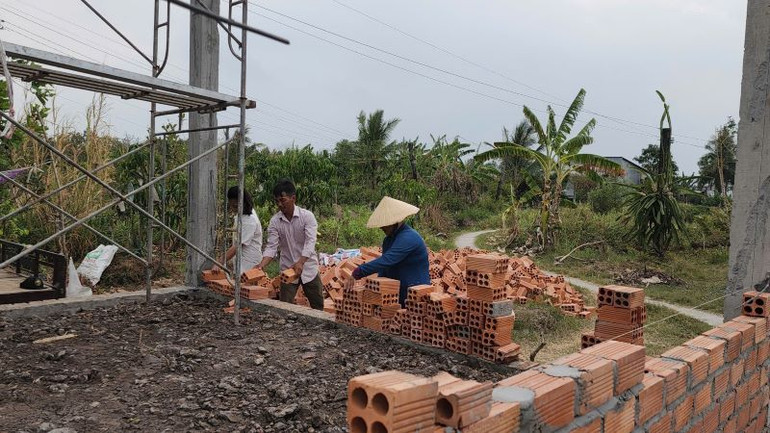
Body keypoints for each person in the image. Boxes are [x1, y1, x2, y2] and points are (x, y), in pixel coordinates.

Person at [254, 179, 324, 310]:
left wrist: (301, 262)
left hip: (309, 268)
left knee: (318, 306)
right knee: (284, 307)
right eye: (277, 201)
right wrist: (261, 265)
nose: (280, 204)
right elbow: (271, 246)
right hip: (287, 270)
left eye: (283, 200)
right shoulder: (275, 221)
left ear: (293, 198)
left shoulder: (307, 217)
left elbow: (310, 242)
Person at [351, 196, 430, 307]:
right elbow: (385, 268)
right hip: (396, 293)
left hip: (415, 292)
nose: (382, 228)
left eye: (385, 224)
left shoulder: (409, 237)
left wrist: (359, 271)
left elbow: (387, 260)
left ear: (395, 222)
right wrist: (377, 288)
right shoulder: (388, 240)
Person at [216, 186, 263, 276]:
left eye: (235, 206)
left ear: (243, 202)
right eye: (231, 205)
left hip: (249, 264)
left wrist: (219, 262)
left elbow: (238, 245)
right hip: (241, 261)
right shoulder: (241, 216)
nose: (233, 208)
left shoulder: (250, 220)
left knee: (246, 287)